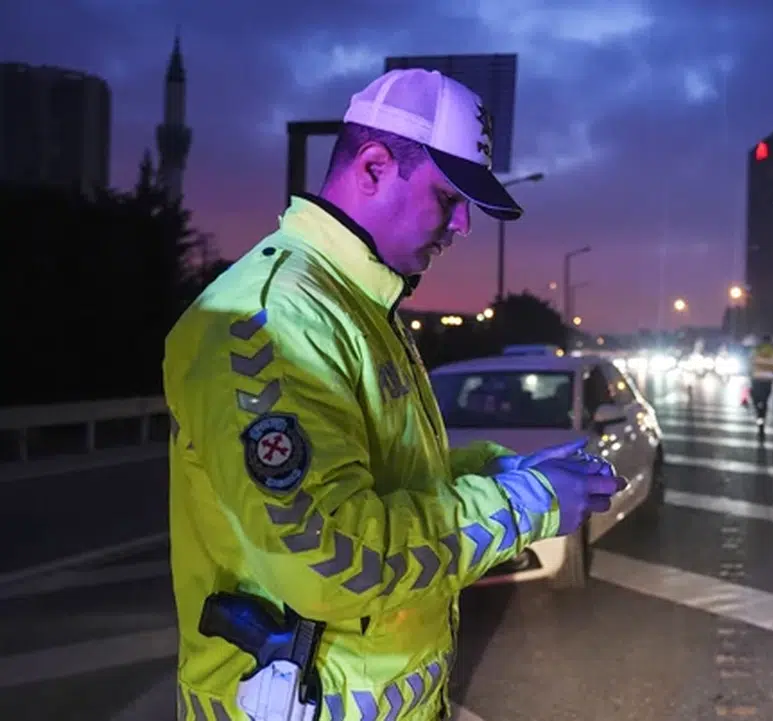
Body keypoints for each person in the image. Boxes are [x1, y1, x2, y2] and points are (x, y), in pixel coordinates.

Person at [163, 68, 624, 721]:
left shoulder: (356, 306)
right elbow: (331, 556)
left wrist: (504, 467)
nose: (462, 225)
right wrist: (528, 502)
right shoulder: (270, 322)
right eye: (447, 197)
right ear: (375, 167)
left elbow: (392, 476)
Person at [748, 336, 773, 426]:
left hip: (757, 379)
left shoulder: (756, 350)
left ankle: (759, 414)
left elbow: (750, 362)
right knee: (765, 401)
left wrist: (750, 374)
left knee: (756, 399)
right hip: (768, 380)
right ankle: (761, 418)